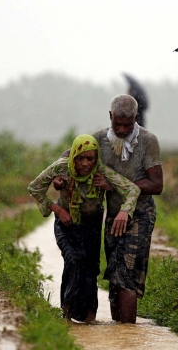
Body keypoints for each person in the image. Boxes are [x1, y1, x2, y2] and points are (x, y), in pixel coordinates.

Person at [28, 134, 141, 323]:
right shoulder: (61, 168)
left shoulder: (101, 171)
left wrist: (124, 210)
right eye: (80, 158)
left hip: (92, 225)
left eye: (90, 158)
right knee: (72, 261)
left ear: (96, 159)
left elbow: (132, 190)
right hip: (67, 224)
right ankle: (66, 313)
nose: (85, 164)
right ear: (73, 157)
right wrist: (58, 210)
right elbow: (34, 188)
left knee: (91, 268)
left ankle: (90, 318)